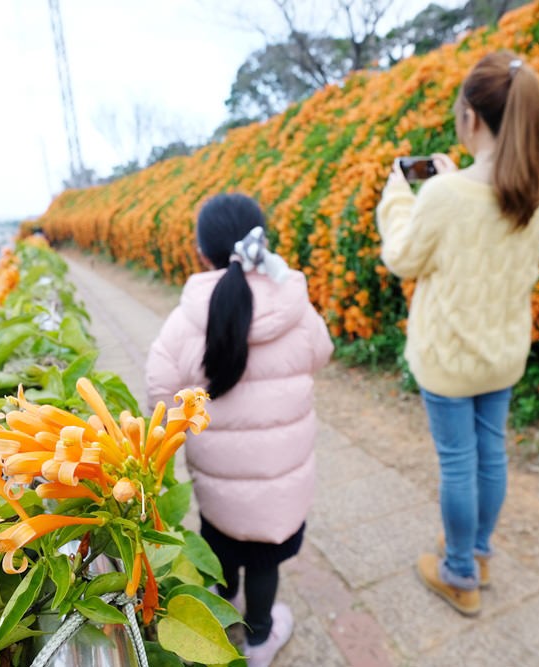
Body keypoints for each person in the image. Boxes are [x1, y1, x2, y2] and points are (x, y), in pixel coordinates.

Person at [376, 51, 539, 617]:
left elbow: (402, 258)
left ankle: (458, 572)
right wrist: (453, 182)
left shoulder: (443, 196)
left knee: (458, 463)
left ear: (472, 119)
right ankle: (477, 553)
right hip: (503, 352)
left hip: (449, 358)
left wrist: (396, 195)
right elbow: (490, 217)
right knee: (492, 456)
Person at [146, 193, 333, 665]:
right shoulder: (295, 303)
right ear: (260, 242)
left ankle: (223, 615)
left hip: (219, 486)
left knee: (222, 551)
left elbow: (159, 398)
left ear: (200, 252)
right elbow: (322, 352)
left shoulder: (185, 321)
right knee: (266, 563)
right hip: (283, 483)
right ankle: (261, 639)